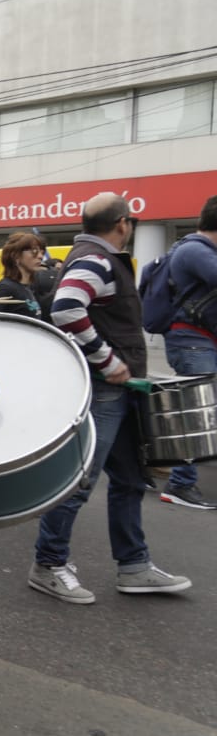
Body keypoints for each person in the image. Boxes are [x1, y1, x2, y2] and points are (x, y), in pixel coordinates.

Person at [33, 193, 194, 603]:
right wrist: (107, 361)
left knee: (128, 480)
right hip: (105, 391)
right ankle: (48, 564)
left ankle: (134, 566)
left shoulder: (96, 257)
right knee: (78, 482)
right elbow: (67, 309)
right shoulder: (97, 259)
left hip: (115, 391)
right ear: (123, 223)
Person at [158, 195, 217, 510]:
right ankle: (180, 484)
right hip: (192, 342)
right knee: (196, 414)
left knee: (204, 411)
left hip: (200, 340)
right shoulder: (195, 250)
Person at [0, 232, 45, 318]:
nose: (40, 256)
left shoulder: (26, 287)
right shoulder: (5, 288)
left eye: (42, 252)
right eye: (34, 251)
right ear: (16, 256)